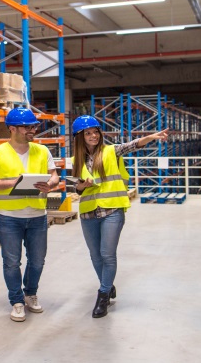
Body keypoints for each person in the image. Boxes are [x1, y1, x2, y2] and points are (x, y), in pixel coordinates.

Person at [71, 115, 169, 318]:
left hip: (112, 210)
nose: (93, 136)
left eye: (95, 131)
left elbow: (133, 145)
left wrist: (151, 137)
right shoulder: (76, 160)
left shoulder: (110, 151)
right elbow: (77, 189)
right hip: (88, 212)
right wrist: (82, 185)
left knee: (107, 254)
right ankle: (107, 284)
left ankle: (103, 295)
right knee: (95, 255)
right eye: (88, 133)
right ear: (79, 137)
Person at [0, 107, 59, 322]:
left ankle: (30, 294)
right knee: (11, 262)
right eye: (27, 127)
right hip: (9, 216)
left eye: (33, 126)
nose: (32, 130)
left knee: (37, 261)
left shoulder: (42, 151)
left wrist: (51, 185)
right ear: (12, 128)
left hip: (37, 214)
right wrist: (12, 183)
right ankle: (16, 301)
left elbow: (55, 176)